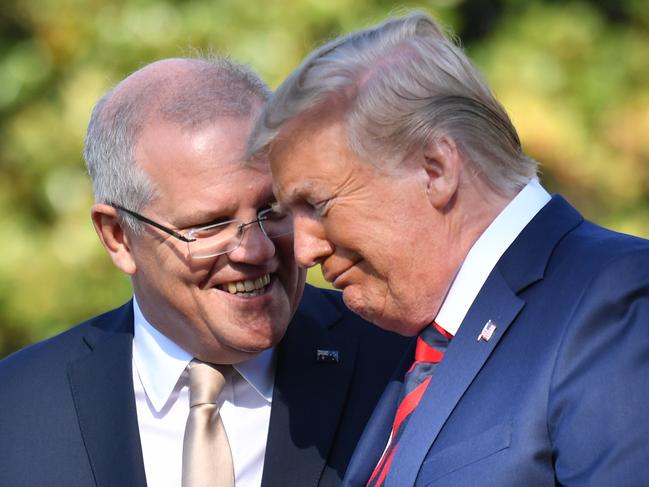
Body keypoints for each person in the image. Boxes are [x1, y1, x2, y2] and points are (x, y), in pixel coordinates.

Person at [247, 11, 649, 487]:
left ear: (435, 169)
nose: (305, 250)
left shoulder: (616, 299)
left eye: (316, 204)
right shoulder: (415, 345)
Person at [0, 57, 409, 487]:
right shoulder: (17, 408)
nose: (256, 249)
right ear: (119, 236)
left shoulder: (400, 364)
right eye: (210, 225)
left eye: (274, 209)